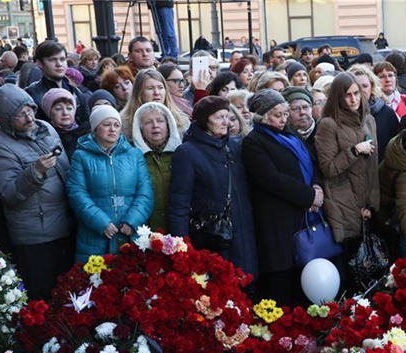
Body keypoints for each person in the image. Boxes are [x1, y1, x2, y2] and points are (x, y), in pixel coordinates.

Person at [0, 84, 74, 300]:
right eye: (20, 115)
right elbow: (9, 193)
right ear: (7, 120)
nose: (29, 118)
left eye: (30, 110)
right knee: (42, 297)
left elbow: (66, 173)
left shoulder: (46, 128)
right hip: (35, 236)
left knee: (69, 295)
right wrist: (35, 171)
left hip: (65, 226)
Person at [242, 89, 324, 305]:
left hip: (303, 215)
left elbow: (309, 162)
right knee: (282, 282)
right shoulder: (255, 141)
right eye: (277, 115)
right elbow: (271, 179)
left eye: (284, 113)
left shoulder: (290, 134)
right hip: (277, 222)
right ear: (262, 117)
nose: (283, 119)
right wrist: (309, 196)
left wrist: (317, 187)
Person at [169, 96, 258, 282]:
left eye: (228, 116)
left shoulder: (234, 146)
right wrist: (183, 247)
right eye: (219, 117)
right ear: (204, 120)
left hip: (243, 234)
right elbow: (179, 203)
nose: (226, 122)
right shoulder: (187, 152)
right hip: (212, 239)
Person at [66, 105, 153, 263]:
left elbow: (145, 193)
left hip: (130, 233)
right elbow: (77, 194)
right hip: (95, 234)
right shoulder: (81, 156)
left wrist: (132, 221)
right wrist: (101, 222)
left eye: (116, 125)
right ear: (95, 128)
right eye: (106, 125)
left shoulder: (134, 154)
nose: (112, 129)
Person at [314, 72, 379, 248]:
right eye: (347, 95)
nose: (353, 99)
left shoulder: (369, 120)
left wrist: (371, 204)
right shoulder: (328, 124)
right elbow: (328, 168)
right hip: (343, 206)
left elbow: (372, 167)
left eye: (356, 93)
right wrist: (355, 151)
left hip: (368, 203)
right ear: (338, 97)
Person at [130, 102, 181, 230]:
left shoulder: (181, 154)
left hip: (177, 227)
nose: (155, 126)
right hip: (145, 229)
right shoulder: (132, 156)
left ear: (169, 125)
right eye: (148, 123)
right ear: (140, 128)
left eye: (160, 121)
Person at [26, 40, 89, 124]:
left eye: (62, 59)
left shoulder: (76, 92)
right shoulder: (31, 95)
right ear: (40, 64)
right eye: (52, 60)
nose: (59, 64)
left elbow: (86, 122)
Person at [120, 69, 189, 140]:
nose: (157, 93)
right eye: (150, 88)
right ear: (139, 93)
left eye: (160, 88)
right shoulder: (124, 123)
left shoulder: (181, 119)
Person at [349, 64, 398, 162]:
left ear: (372, 87)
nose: (361, 90)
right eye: (356, 86)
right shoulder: (339, 116)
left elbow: (395, 148)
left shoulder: (387, 113)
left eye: (365, 86)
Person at [41, 88, 90, 158]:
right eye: (58, 109)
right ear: (49, 112)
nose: (65, 113)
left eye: (69, 108)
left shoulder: (88, 132)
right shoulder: (46, 139)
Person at [283, 86, 317, 155]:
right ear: (286, 113)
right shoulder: (283, 136)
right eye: (295, 109)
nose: (302, 112)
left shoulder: (323, 130)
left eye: (305, 107)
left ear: (311, 109)